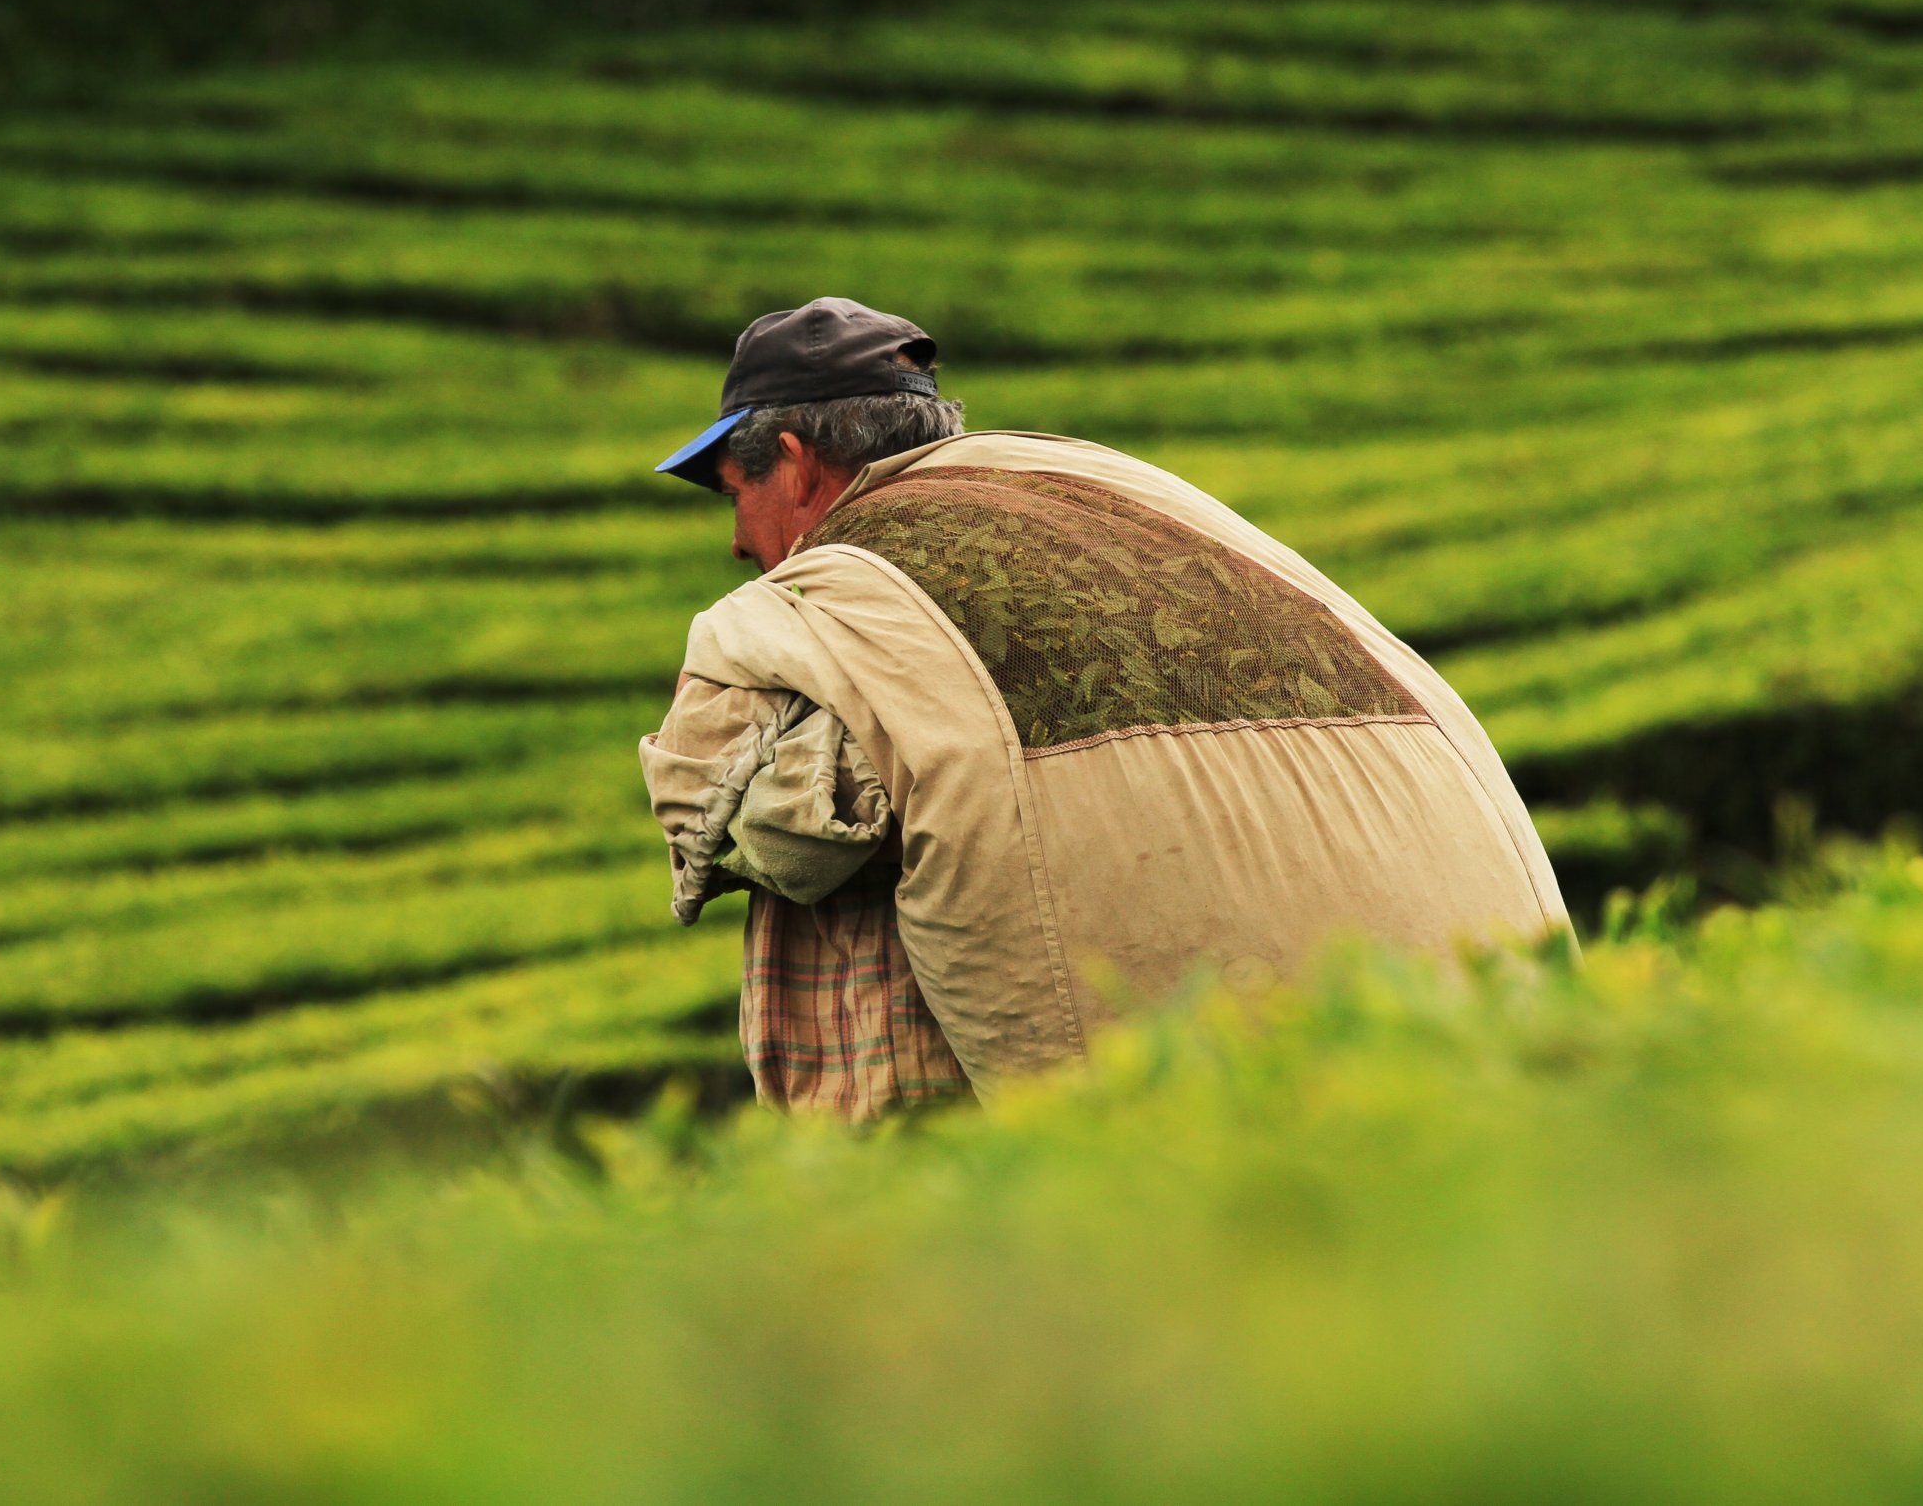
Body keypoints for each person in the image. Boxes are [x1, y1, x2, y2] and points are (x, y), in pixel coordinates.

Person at [640, 297, 1574, 1121]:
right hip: (1443, 1027)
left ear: (796, 465)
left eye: (737, 493)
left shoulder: (841, 587)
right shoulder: (1103, 499)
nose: (735, 539)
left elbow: (713, 801)